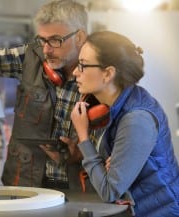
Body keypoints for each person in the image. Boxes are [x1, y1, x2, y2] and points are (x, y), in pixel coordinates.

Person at [0, 0, 98, 190]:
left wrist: (84, 152)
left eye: (55, 40)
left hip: (79, 187)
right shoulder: (30, 56)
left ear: (80, 37)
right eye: (42, 40)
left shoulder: (102, 72)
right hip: (24, 183)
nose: (46, 50)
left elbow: (119, 142)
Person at [70, 30, 179, 216]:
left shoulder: (136, 120)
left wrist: (83, 137)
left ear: (108, 74)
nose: (75, 72)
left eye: (83, 65)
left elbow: (109, 191)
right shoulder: (121, 104)